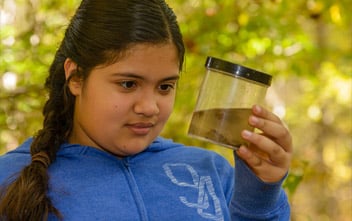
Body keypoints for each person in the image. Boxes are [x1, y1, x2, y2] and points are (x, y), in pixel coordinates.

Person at [0, 0, 293, 220]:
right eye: (128, 84)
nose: (149, 107)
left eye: (165, 87)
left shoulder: (211, 173)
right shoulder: (13, 178)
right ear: (76, 77)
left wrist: (260, 195)